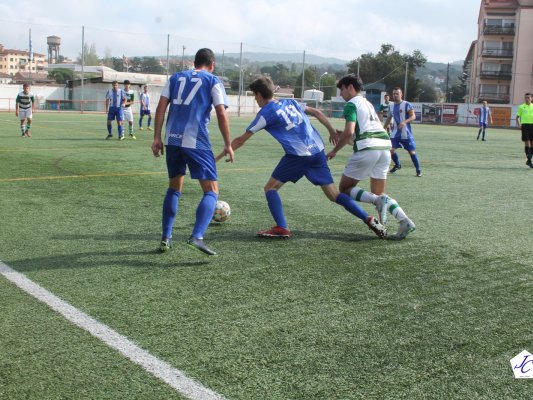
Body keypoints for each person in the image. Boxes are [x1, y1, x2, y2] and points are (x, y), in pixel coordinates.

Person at [215, 76, 386, 240]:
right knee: (334, 195)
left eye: (254, 96)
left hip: (298, 155)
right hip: (317, 151)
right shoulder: (289, 102)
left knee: (270, 188)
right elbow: (317, 112)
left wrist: (220, 155)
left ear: (259, 94)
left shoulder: (266, 113)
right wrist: (332, 131)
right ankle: (369, 219)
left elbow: (241, 139)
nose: (255, 99)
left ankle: (281, 227)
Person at [151, 48, 234, 256]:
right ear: (212, 64)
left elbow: (161, 108)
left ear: (194, 62)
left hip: (172, 140)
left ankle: (166, 237)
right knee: (212, 191)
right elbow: (221, 113)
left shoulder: (175, 78)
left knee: (174, 188)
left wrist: (157, 138)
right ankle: (197, 236)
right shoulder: (213, 80)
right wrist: (228, 144)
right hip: (196, 141)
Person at [327, 74, 415, 239]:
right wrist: (346, 137)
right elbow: (357, 134)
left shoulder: (351, 104)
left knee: (345, 189)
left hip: (368, 149)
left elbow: (350, 132)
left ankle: (377, 202)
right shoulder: (368, 103)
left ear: (350, 87)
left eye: (342, 90)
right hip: (384, 148)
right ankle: (404, 221)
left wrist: (334, 151)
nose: (341, 94)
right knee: (379, 194)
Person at [383, 87, 422, 177]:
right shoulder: (391, 106)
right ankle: (398, 164)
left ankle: (418, 170)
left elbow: (413, 116)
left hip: (406, 133)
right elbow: (389, 117)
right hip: (395, 133)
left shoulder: (406, 104)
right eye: (394, 94)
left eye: (397, 93)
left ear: (401, 94)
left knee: (411, 152)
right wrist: (384, 128)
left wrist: (404, 122)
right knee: (391, 150)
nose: (395, 95)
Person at [516, 92, 533, 168]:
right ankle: (529, 159)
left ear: (531, 99)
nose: (526, 99)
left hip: (532, 126)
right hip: (525, 126)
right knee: (527, 142)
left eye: (528, 98)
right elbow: (517, 117)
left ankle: (529, 159)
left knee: (532, 143)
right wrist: (519, 124)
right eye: (525, 98)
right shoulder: (521, 107)